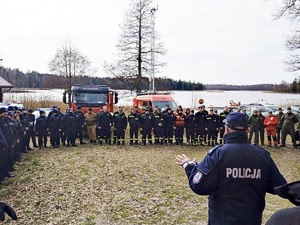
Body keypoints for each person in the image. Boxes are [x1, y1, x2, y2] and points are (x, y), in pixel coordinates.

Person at [176, 112, 287, 225]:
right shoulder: (262, 155)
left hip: (221, 220)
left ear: (227, 129)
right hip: (251, 219)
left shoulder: (217, 154)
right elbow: (279, 186)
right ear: (247, 130)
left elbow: (199, 186)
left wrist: (189, 166)